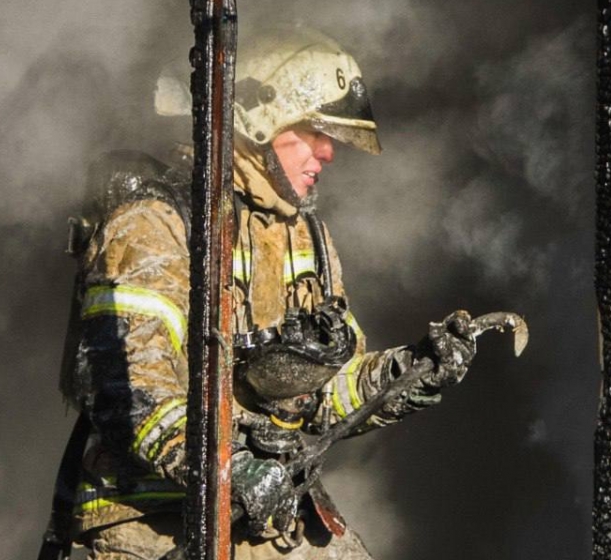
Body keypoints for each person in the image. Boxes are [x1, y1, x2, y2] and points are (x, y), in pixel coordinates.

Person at [61, 27, 477, 559]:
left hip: (266, 511)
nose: (328, 152)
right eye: (312, 130)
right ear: (258, 121)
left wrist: (411, 372)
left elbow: (323, 397)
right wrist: (228, 470)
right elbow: (129, 392)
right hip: (154, 520)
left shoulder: (306, 238)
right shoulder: (153, 228)